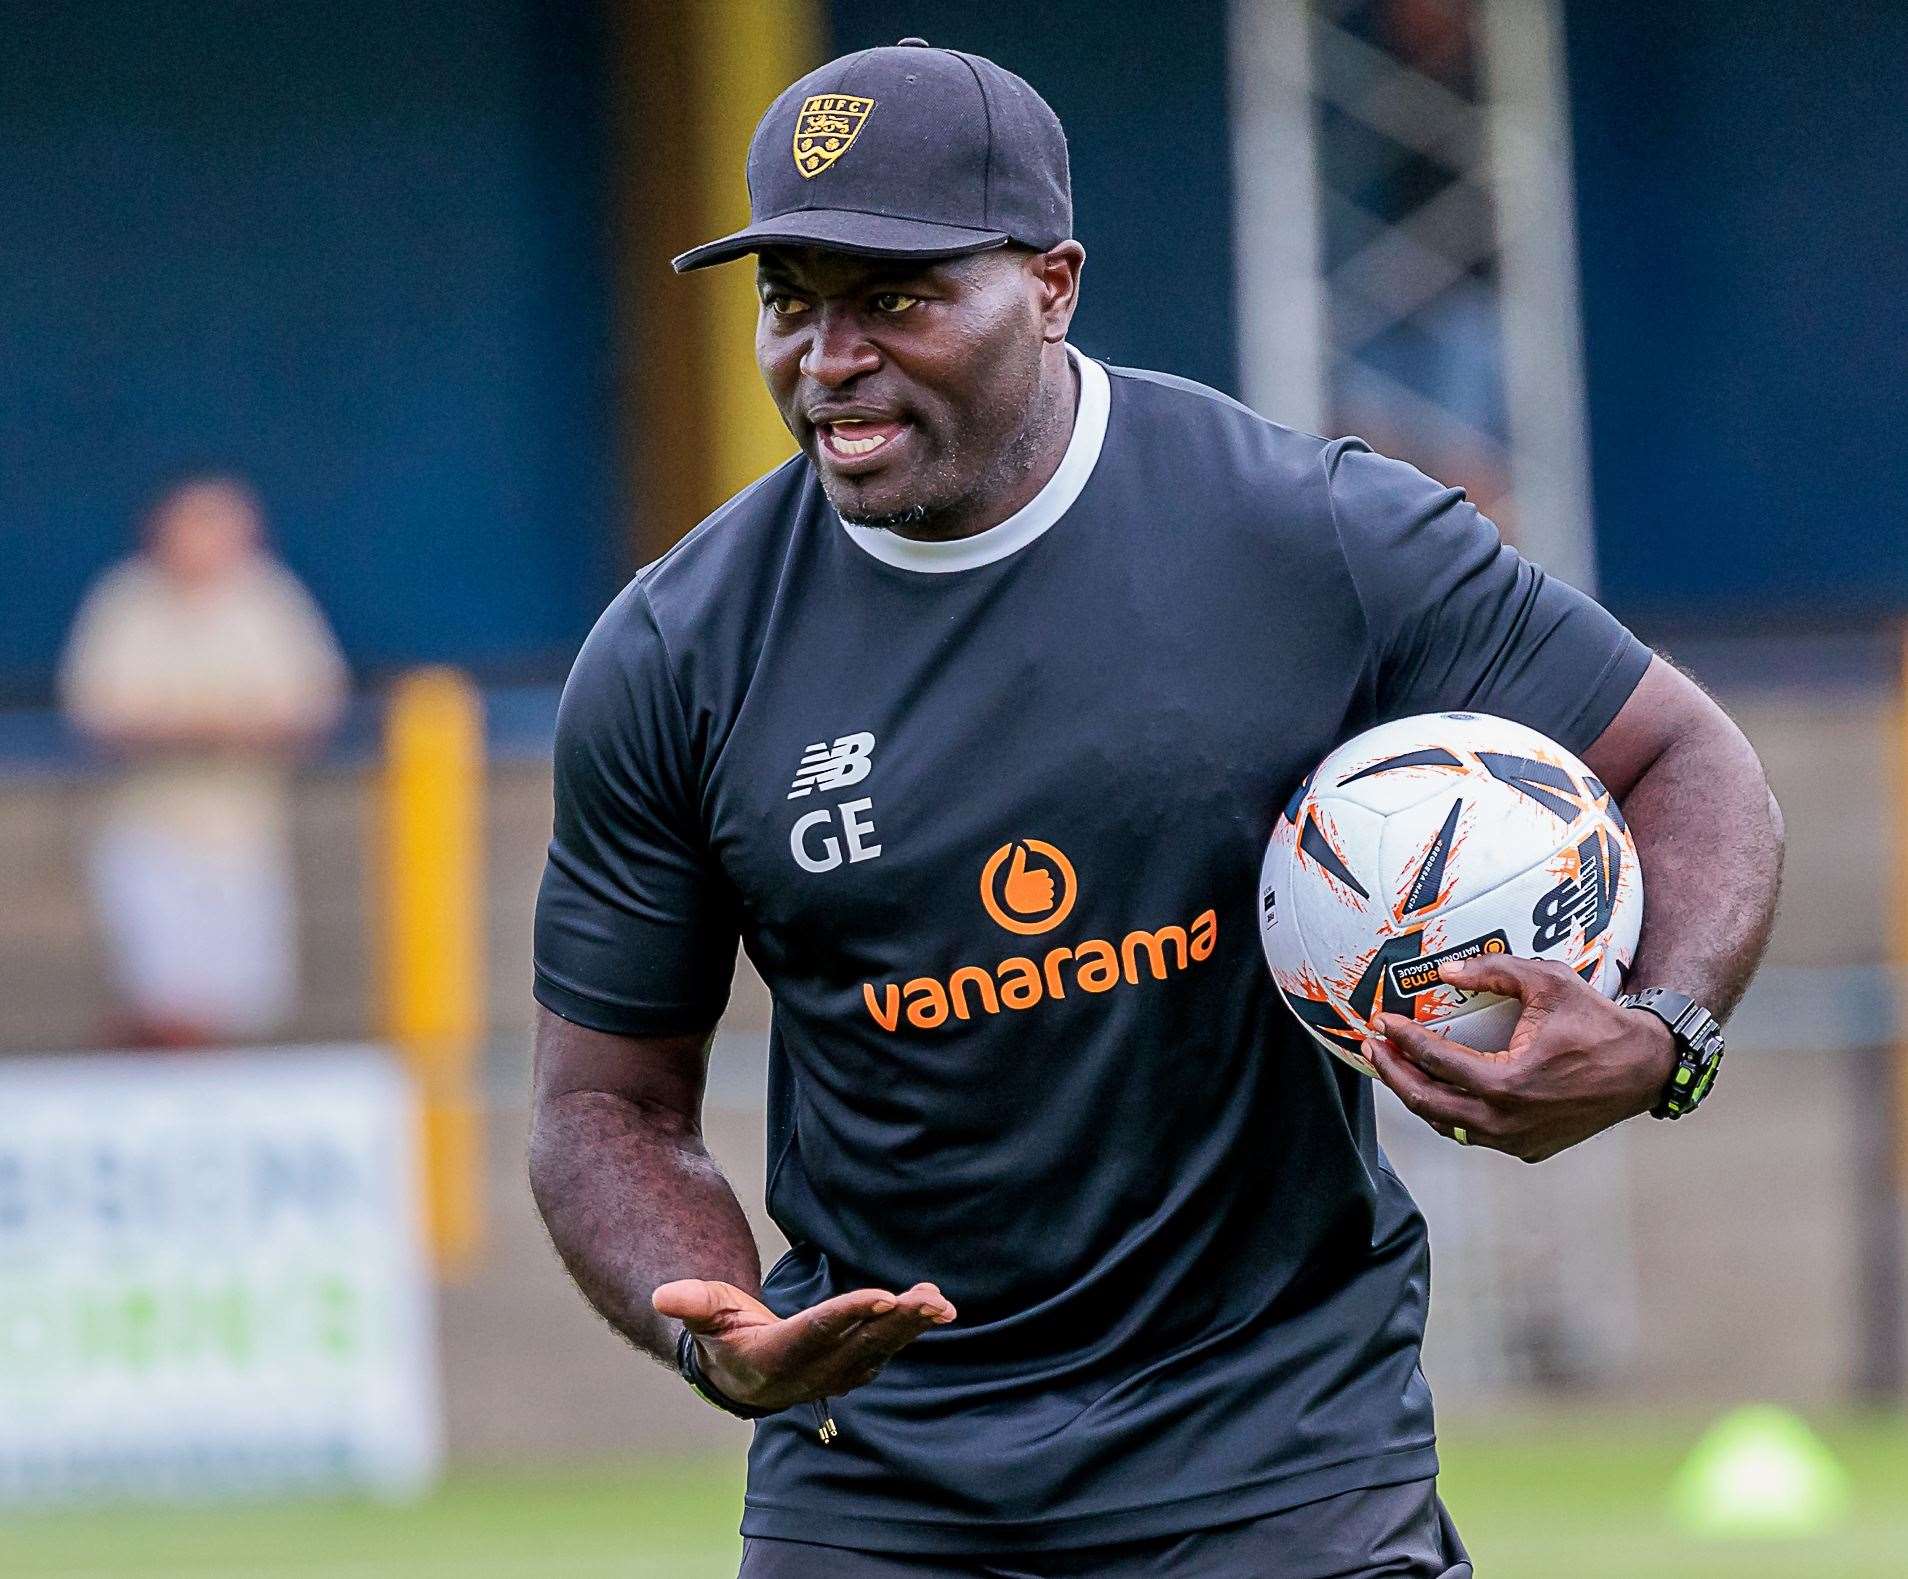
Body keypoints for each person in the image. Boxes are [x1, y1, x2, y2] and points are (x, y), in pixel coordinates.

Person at [528, 41, 1781, 1578]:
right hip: (880, 1485)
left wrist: (1666, 1032)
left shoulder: (1310, 533)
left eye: (898, 298)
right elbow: (605, 1101)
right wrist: (716, 1325)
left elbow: (1692, 763)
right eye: (791, 298)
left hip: (1283, 1457)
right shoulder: (675, 652)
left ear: (1052, 283)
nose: (830, 354)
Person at [60, 473, 346, 1047]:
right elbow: (97, 712)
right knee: (163, 995)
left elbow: (313, 704)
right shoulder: (127, 600)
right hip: (149, 826)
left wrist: (230, 727)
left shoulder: (266, 598)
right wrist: (196, 727)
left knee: (237, 1002)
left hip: (242, 830)